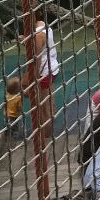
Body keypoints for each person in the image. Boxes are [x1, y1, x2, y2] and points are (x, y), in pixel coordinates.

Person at [21, 12, 60, 145]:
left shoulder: (38, 37)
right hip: (52, 69)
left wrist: (31, 82)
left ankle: (45, 141)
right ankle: (51, 110)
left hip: (44, 74)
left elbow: (35, 62)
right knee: (48, 105)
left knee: (43, 111)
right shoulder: (42, 24)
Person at [0, 76, 26, 161]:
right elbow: (19, 108)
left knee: (8, 126)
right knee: (15, 127)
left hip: (6, 114)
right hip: (14, 115)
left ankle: (7, 135)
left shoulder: (7, 95)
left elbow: (5, 105)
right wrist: (21, 112)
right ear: (17, 89)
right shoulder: (18, 98)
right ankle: (14, 140)